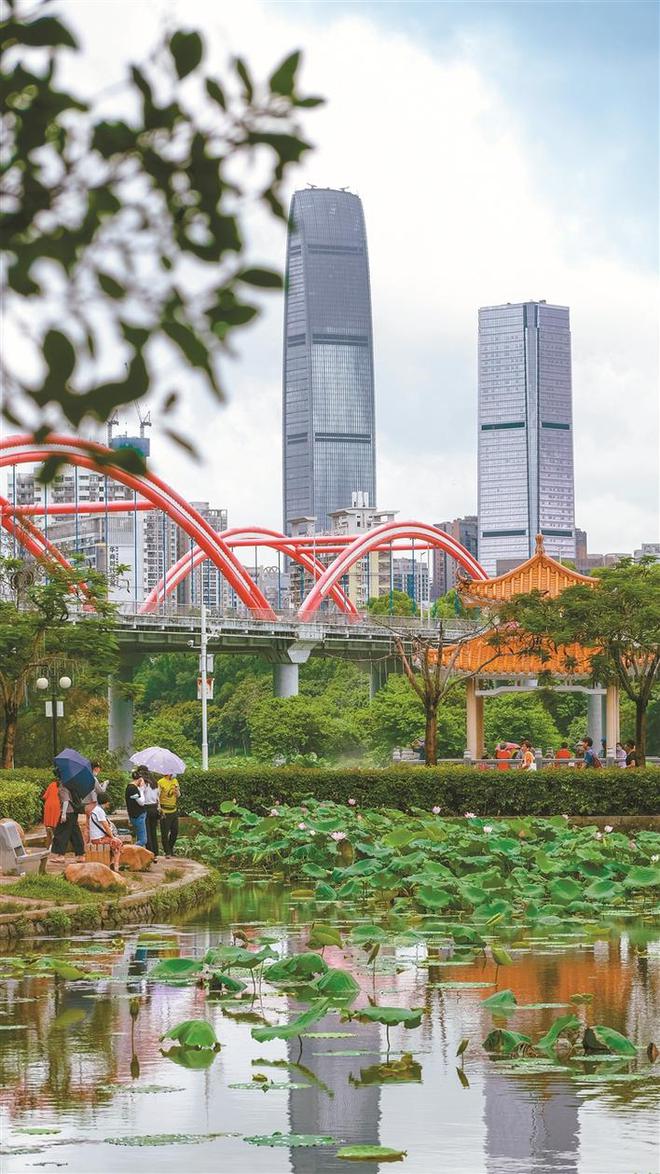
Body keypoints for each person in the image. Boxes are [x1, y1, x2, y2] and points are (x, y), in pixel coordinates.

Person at [50, 781, 85, 861]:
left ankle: (60, 856)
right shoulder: (72, 784)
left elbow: (65, 801)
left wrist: (63, 814)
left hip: (67, 813)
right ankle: (80, 855)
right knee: (75, 833)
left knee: (61, 833)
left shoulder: (63, 786)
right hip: (73, 813)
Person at [84, 798, 122, 871]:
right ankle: (116, 865)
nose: (108, 804)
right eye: (108, 802)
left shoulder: (96, 810)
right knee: (118, 843)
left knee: (113, 844)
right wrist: (113, 837)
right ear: (106, 802)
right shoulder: (99, 811)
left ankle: (112, 862)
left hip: (96, 838)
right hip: (99, 839)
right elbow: (106, 826)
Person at [158, 773, 180, 858]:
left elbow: (178, 795)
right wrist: (159, 808)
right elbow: (157, 796)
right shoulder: (160, 782)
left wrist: (177, 791)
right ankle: (167, 852)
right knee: (165, 832)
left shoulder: (175, 781)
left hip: (173, 810)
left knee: (175, 831)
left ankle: (170, 848)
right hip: (164, 811)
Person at [141, 770, 160, 859]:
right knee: (153, 831)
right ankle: (156, 851)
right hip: (154, 808)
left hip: (146, 808)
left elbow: (141, 796)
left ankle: (150, 852)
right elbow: (157, 797)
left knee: (147, 831)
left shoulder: (145, 784)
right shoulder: (155, 784)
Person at [125, 771, 147, 846]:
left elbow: (133, 799)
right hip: (138, 816)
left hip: (133, 815)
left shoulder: (129, 787)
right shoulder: (133, 789)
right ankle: (130, 850)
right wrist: (141, 790)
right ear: (140, 780)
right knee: (143, 840)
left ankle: (137, 855)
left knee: (139, 837)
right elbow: (141, 802)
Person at [42, 778, 61, 847]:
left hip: (48, 805)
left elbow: (45, 796)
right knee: (56, 826)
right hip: (57, 806)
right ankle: (56, 846)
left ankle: (48, 846)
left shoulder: (51, 784)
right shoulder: (61, 786)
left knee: (48, 827)